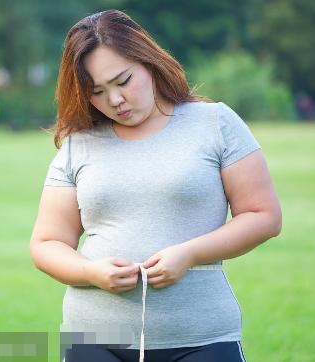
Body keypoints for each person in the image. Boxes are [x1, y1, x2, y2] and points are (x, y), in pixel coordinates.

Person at [30, 9, 282, 362]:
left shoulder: (214, 123)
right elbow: (47, 243)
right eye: (97, 91)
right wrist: (90, 271)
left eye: (123, 81)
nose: (115, 100)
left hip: (201, 338)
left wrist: (189, 254)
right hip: (93, 340)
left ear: (147, 61)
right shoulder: (80, 143)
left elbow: (263, 216)